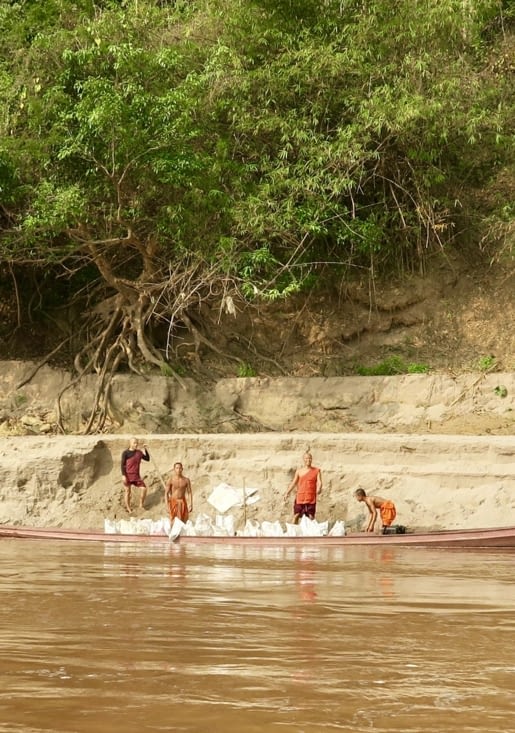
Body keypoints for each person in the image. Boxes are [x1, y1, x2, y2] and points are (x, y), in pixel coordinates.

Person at [284, 451, 323, 524]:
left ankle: (312, 533)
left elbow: (319, 481)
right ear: (304, 460)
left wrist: (319, 488)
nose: (308, 460)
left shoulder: (317, 471)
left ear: (312, 459)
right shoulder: (299, 471)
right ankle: (293, 532)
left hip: (311, 497)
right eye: (306, 458)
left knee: (311, 516)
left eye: (310, 458)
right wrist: (287, 493)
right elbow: (294, 483)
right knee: (296, 515)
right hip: (300, 497)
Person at [121, 437, 150, 513]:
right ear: (130, 443)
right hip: (128, 475)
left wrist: (146, 449)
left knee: (144, 489)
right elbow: (122, 464)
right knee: (128, 491)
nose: (136, 444)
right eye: (134, 443)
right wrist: (123, 475)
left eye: (137, 443)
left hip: (136, 476)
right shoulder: (125, 453)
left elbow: (147, 459)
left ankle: (141, 505)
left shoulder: (139, 453)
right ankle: (128, 508)